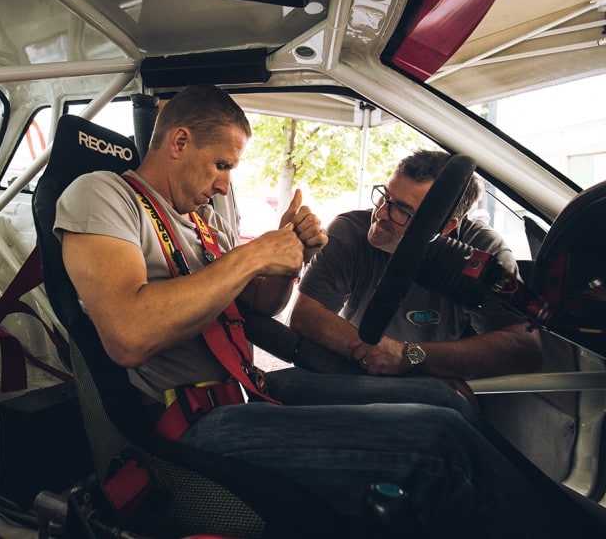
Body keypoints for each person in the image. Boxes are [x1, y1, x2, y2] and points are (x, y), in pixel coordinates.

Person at [54, 85, 566, 536]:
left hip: (247, 389)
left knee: (442, 400)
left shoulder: (204, 220)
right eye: (222, 165)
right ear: (180, 142)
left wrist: (288, 258)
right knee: (438, 441)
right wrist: (254, 254)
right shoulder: (104, 194)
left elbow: (259, 305)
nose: (225, 185)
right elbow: (129, 335)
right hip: (190, 418)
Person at [289, 150, 543, 380]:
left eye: (402, 210)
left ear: (446, 227)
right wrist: (372, 352)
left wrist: (407, 357)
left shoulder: (482, 249)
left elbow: (524, 347)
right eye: (385, 196)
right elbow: (304, 314)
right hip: (359, 375)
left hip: (434, 383)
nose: (380, 214)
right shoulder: (350, 230)